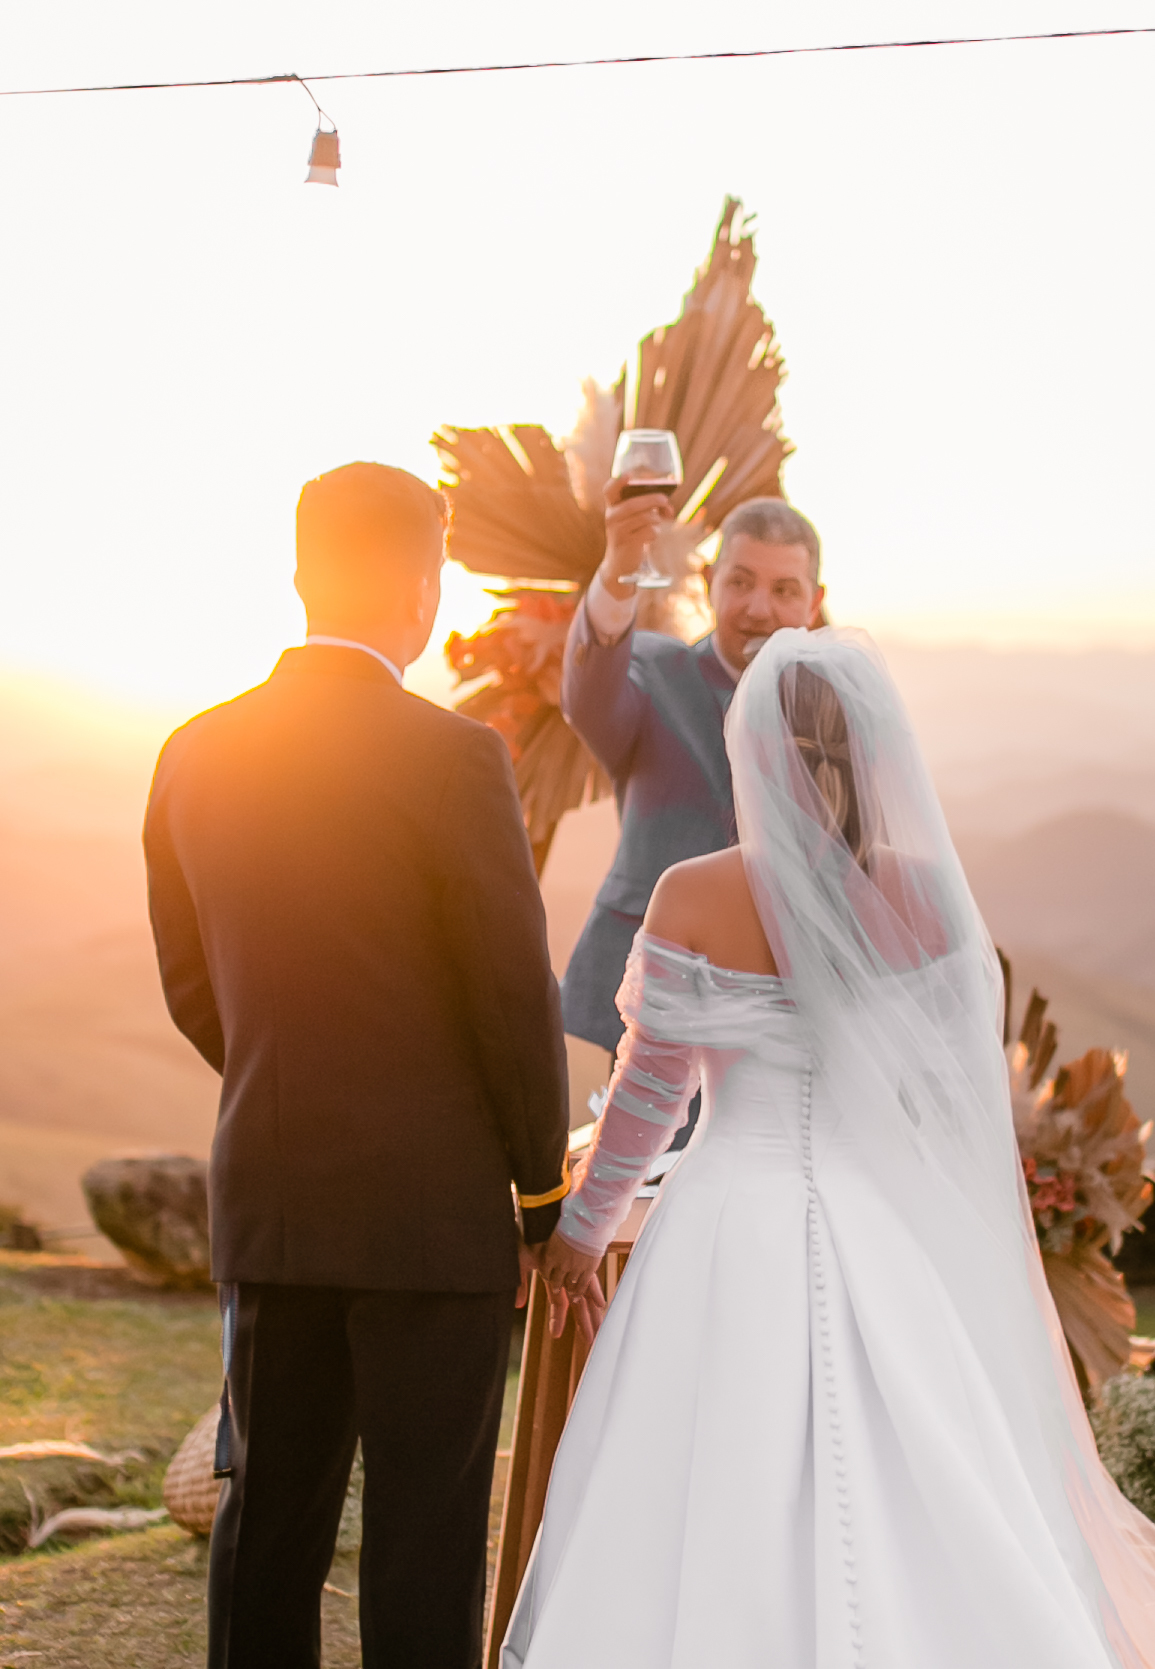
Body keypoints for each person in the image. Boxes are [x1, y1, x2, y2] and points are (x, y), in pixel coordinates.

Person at [504, 626, 1155, 1669]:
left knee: (709, 1479)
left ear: (752, 753)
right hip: (880, 1226)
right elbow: (941, 1105)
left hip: (726, 1221)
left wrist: (579, 1232)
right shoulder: (927, 903)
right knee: (920, 1472)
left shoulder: (694, 894)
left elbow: (648, 1094)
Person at [144, 462, 582, 1669]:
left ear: (298, 574)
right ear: (423, 585)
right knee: (422, 1531)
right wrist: (541, 1189)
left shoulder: (192, 751)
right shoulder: (454, 756)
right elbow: (510, 991)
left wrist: (288, 1080)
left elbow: (195, 986)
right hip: (430, 1223)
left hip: (271, 1204)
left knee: (269, 1516)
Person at [559, 484, 825, 1073]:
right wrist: (617, 571)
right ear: (709, 580)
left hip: (793, 1013)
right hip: (658, 1005)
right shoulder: (654, 674)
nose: (758, 608)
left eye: (784, 590)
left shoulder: (837, 711)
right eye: (740, 582)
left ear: (815, 600)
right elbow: (587, 700)